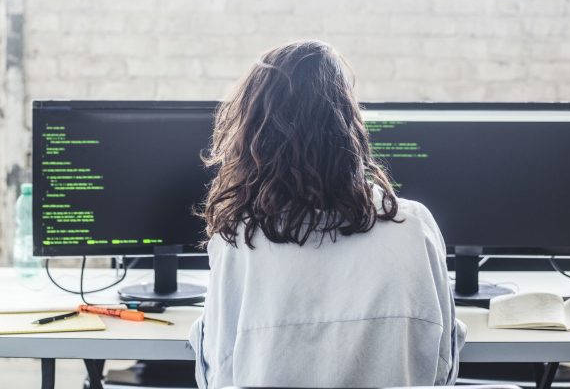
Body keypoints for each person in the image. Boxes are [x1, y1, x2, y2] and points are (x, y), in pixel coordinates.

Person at [189, 39, 466, 389]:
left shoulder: (239, 239)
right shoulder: (413, 226)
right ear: (349, 125)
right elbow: (442, 366)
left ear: (254, 133)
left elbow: (218, 375)